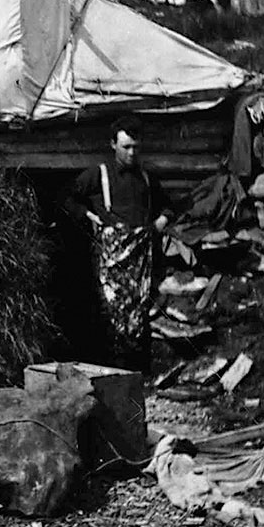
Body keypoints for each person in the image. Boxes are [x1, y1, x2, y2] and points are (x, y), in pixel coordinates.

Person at [64, 117, 173, 372]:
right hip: (109, 262)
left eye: (136, 147)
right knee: (109, 314)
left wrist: (161, 221)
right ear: (113, 144)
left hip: (140, 266)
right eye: (126, 147)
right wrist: (87, 215)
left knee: (138, 315)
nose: (132, 153)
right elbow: (67, 198)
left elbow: (168, 205)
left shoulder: (146, 179)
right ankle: (111, 372)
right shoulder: (97, 175)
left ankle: (138, 375)